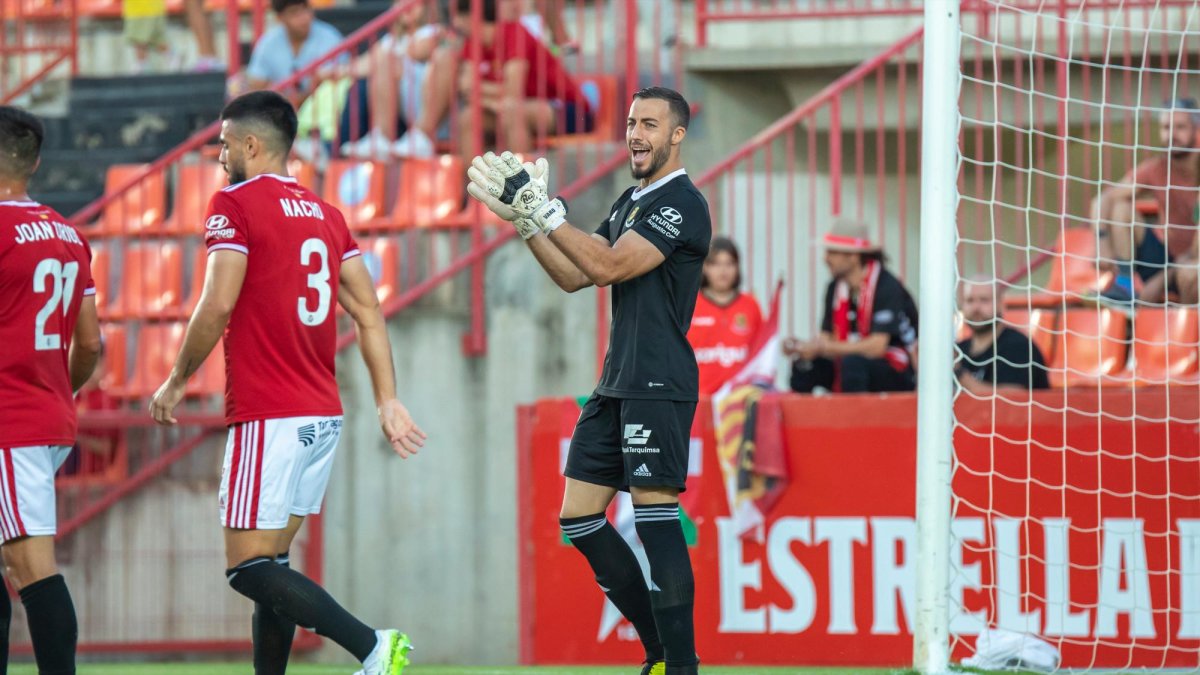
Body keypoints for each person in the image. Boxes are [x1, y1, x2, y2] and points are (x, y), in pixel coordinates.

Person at [148, 91, 426, 675]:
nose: (220, 156)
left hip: (269, 412)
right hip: (322, 413)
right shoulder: (327, 215)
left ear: (251, 145)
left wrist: (175, 380)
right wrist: (387, 399)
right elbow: (369, 312)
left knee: (247, 568)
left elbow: (218, 302)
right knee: (273, 563)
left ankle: (374, 646)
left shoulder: (233, 204)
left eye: (225, 144)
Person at [467, 86, 708, 675]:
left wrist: (549, 210)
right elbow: (576, 275)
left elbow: (611, 266)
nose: (636, 134)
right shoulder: (631, 199)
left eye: (650, 124)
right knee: (578, 516)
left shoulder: (682, 203)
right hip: (616, 380)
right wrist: (529, 223)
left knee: (655, 521)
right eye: (631, 123)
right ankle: (659, 648)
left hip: (658, 381)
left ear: (677, 135)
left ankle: (681, 665)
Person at [0, 105, 102, 675]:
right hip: (46, 414)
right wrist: (59, 389)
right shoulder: (68, 234)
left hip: (8, 422)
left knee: (30, 564)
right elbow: (89, 344)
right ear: (35, 162)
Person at [393, 0, 593, 159]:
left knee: (511, 110)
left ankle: (527, 196)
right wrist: (476, 90)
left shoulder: (514, 32)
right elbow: (470, 92)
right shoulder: (474, 43)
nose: (454, 25)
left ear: (470, 17)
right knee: (469, 118)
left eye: (457, 17)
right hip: (520, 106)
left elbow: (509, 94)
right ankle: (475, 201)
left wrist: (476, 89)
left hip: (570, 109)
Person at [784, 220, 918, 394]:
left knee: (853, 364)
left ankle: (854, 419)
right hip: (855, 366)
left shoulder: (887, 286)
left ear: (853, 256)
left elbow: (877, 347)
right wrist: (803, 347)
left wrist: (825, 347)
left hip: (897, 369)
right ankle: (805, 419)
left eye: (832, 252)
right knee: (805, 366)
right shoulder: (834, 288)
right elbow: (826, 339)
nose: (825, 258)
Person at [1093, 98, 1200, 300]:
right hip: (1166, 257)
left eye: (1180, 127)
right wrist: (1102, 244)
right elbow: (1103, 199)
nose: (1172, 135)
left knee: (1190, 272)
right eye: (1166, 127)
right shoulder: (1157, 168)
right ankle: (1124, 286)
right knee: (1119, 209)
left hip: (1194, 262)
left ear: (1196, 129)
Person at [338, 0, 442, 160]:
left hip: (428, 104)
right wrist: (333, 71)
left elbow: (418, 50)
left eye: (413, 2)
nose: (406, 6)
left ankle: (415, 136)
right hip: (404, 109)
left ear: (427, 6)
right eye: (401, 2)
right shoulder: (391, 40)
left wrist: (384, 57)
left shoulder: (434, 31)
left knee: (385, 62)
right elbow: (364, 63)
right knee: (377, 67)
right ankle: (381, 136)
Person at [688, 237, 763, 396]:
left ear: (737, 267)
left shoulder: (751, 305)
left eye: (729, 264)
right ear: (705, 267)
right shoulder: (690, 305)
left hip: (739, 401)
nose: (723, 271)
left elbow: (761, 354)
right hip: (699, 401)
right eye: (715, 264)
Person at [956, 278, 1050, 394]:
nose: (976, 308)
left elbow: (1010, 399)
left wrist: (958, 371)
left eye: (984, 300)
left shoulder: (1019, 347)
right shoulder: (959, 350)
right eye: (970, 300)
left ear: (1001, 304)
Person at [244, 0, 344, 101]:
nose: (304, 18)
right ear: (280, 18)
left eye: (306, 9)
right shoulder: (268, 43)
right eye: (294, 12)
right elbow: (256, 87)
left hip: (320, 111)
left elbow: (336, 87)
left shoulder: (330, 37)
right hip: (279, 113)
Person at [123, 0, 174, 74]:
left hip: (143, 10)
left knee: (140, 39)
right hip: (144, 9)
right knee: (155, 40)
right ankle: (171, 56)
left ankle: (140, 65)